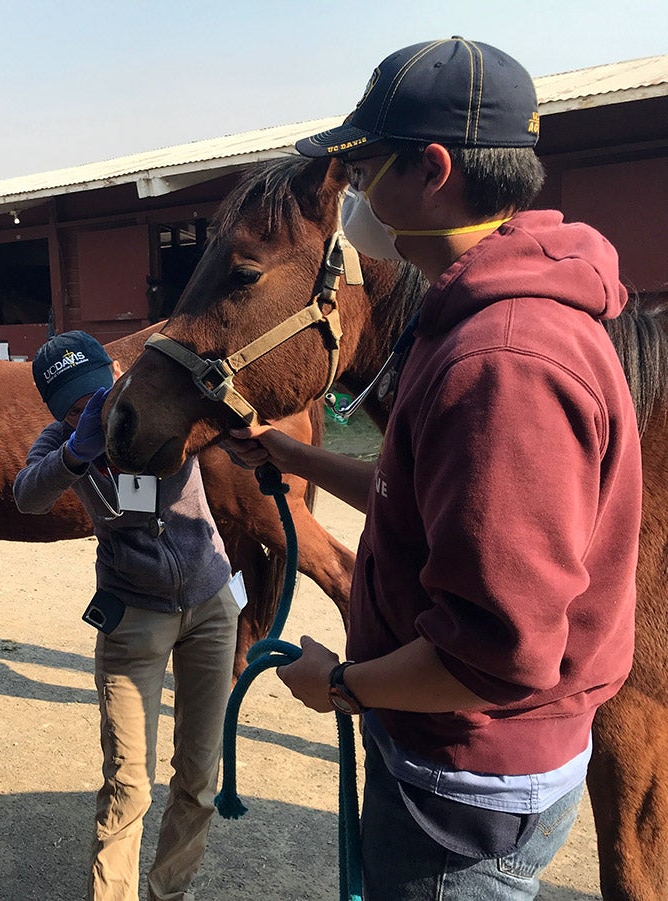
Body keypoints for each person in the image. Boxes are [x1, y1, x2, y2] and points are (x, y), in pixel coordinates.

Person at [225, 38, 642, 899]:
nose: (357, 197)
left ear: (435, 170)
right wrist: (297, 454)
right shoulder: (496, 318)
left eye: (369, 167)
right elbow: (420, 500)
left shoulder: (504, 359)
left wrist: (338, 684)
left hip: (467, 778)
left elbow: (499, 651)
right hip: (465, 756)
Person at [14, 331, 239, 901]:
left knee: (198, 777)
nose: (95, 409)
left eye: (99, 392)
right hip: (134, 620)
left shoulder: (158, 404)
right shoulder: (64, 443)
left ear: (116, 370)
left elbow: (228, 403)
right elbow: (26, 496)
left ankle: (170, 892)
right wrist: (75, 452)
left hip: (211, 607)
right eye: (73, 407)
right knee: (128, 784)